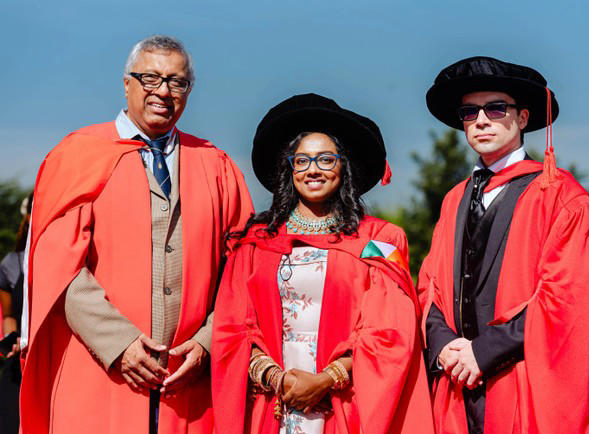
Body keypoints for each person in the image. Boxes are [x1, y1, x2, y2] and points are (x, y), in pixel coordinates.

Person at [21, 35, 253, 434]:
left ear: (188, 91)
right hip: (98, 371)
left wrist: (207, 342)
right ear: (126, 83)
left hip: (188, 385)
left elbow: (243, 270)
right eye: (150, 78)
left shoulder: (216, 165)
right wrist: (118, 343)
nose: (163, 91)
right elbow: (58, 266)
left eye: (176, 82)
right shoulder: (77, 156)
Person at [418, 56, 589, 433]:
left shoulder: (561, 198)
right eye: (469, 112)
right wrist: (444, 345)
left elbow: (566, 301)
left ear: (524, 118)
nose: (481, 120)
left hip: (519, 384)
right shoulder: (454, 200)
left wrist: (481, 353)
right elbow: (430, 287)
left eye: (495, 108)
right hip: (455, 390)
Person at [211, 93, 433, 434]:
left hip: (345, 408)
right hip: (273, 406)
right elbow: (233, 328)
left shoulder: (379, 241)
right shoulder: (255, 243)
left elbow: (391, 332)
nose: (313, 169)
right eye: (301, 161)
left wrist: (327, 379)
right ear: (290, 170)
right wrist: (275, 377)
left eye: (326, 159)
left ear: (343, 166)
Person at [0, 193, 31, 434]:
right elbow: (9, 314)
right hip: (18, 368)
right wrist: (12, 339)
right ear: (29, 216)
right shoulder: (11, 265)